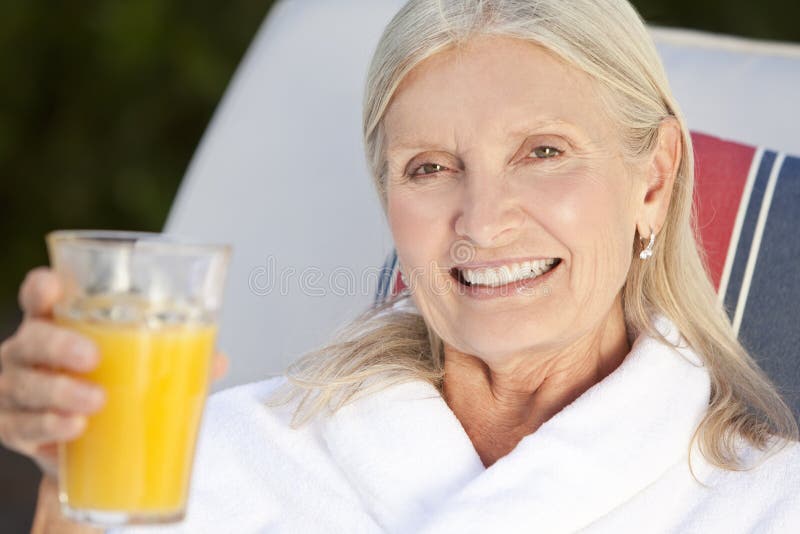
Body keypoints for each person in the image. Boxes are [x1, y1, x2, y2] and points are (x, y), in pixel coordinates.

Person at [2, 0, 799, 532]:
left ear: (653, 180)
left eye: (544, 152)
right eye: (429, 168)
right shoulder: (208, 456)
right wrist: (70, 486)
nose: (482, 223)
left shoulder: (767, 504)